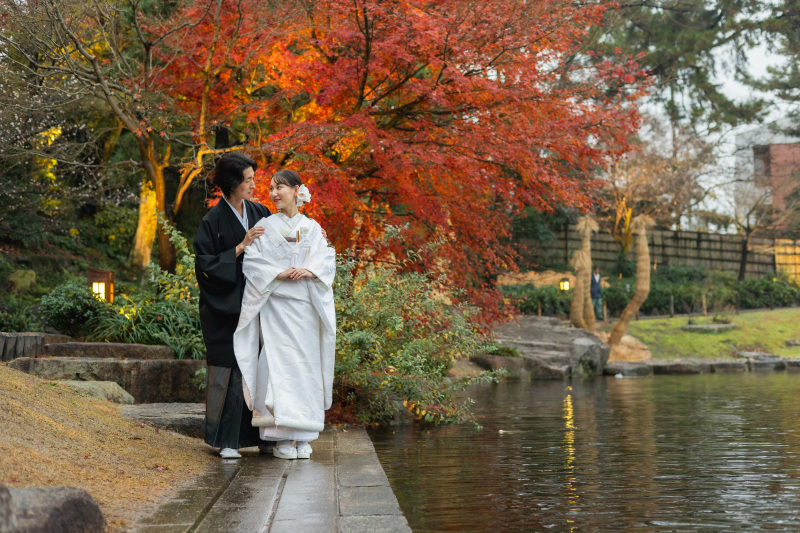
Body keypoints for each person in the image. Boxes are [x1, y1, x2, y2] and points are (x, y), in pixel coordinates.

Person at [233, 169, 336, 460]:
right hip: (276, 304)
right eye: (272, 188)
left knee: (305, 366)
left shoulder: (313, 228)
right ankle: (279, 439)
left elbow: (327, 259)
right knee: (278, 363)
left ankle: (304, 436)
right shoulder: (265, 225)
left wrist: (311, 270)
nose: (275, 193)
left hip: (304, 304)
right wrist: (278, 272)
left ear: (297, 190)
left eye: (281, 188)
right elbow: (252, 261)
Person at [194, 152, 272, 459]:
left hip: (256, 304)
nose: (254, 184)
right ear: (231, 183)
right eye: (248, 179)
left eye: (253, 178)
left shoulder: (259, 211)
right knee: (231, 369)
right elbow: (205, 265)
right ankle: (226, 440)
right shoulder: (212, 221)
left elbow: (279, 242)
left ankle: (265, 436)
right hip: (224, 307)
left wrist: (305, 235)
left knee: (259, 368)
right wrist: (241, 246)